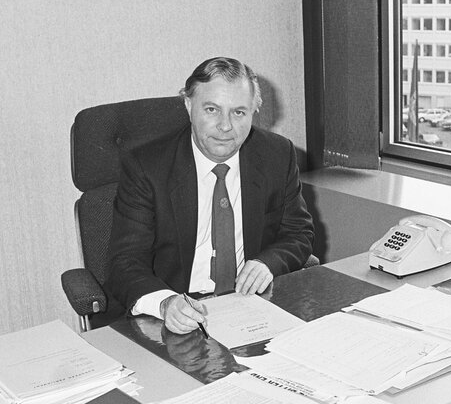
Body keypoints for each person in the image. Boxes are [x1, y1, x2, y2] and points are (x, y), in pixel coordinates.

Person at [105, 57, 314, 335]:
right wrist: (165, 303)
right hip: (177, 313)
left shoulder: (277, 155)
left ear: (254, 112)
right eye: (212, 109)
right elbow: (124, 262)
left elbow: (298, 234)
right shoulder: (147, 166)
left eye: (239, 112)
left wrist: (268, 263)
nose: (225, 126)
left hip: (250, 306)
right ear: (189, 106)